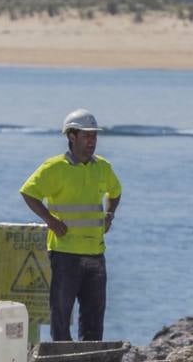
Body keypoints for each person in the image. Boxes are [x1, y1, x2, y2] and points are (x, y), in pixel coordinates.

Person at [21, 109, 122, 341]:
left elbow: (116, 192)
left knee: (94, 315)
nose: (92, 141)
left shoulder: (103, 167)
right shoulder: (54, 167)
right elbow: (28, 193)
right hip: (65, 253)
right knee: (61, 313)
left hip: (96, 253)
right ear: (72, 136)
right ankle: (62, 360)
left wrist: (110, 214)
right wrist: (50, 220)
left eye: (94, 136)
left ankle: (90, 359)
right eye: (87, 136)